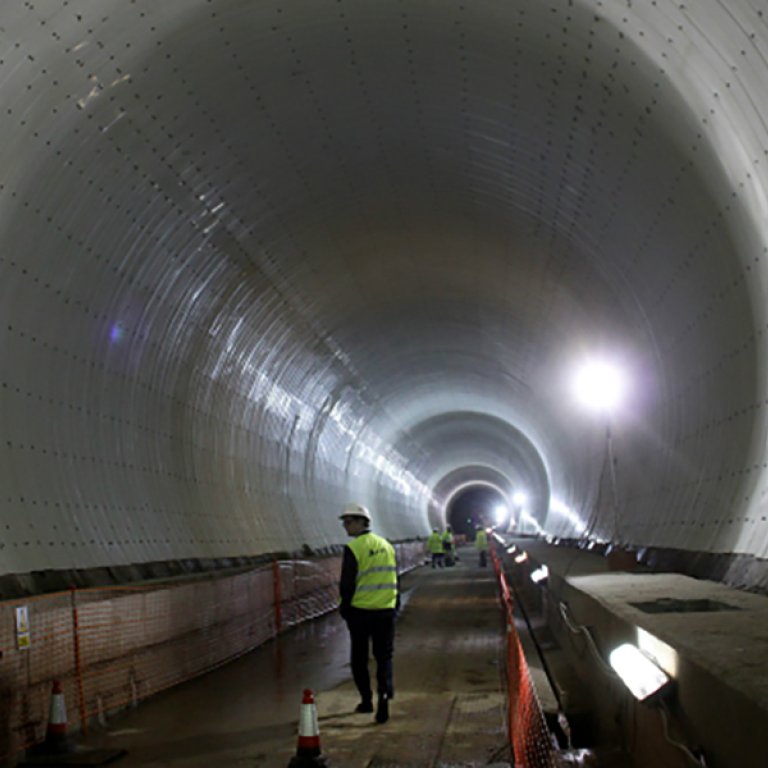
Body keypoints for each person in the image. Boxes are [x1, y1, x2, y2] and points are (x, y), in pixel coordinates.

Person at [338, 502, 399, 724]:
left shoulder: (354, 549)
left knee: (359, 658)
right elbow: (394, 577)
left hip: (361, 613)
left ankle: (366, 701)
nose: (346, 526)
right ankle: (384, 695)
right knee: (384, 657)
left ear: (361, 522)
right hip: (385, 611)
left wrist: (345, 608)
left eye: (348, 522)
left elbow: (347, 584)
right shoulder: (387, 546)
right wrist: (395, 605)